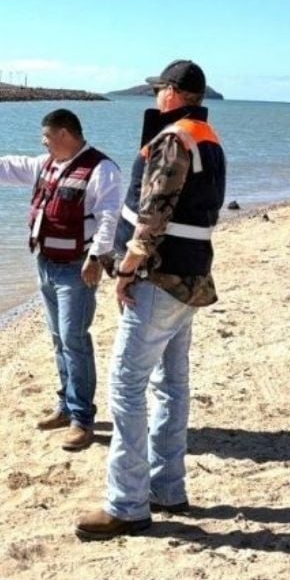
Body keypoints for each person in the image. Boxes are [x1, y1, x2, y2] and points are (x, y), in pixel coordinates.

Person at [75, 60, 225, 540]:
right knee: (172, 384)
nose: (156, 95)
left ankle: (127, 504)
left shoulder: (175, 138)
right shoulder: (208, 137)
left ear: (176, 93)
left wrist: (128, 267)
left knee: (127, 385)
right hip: (190, 276)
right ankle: (167, 487)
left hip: (159, 278)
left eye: (160, 88)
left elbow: (154, 210)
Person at [0, 109, 122, 451]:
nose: (43, 143)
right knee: (57, 338)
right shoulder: (47, 164)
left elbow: (110, 217)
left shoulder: (102, 169)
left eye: (47, 137)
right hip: (46, 263)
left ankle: (82, 419)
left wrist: (97, 257)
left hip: (77, 267)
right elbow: (7, 167)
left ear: (65, 134)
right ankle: (66, 407)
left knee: (73, 338)